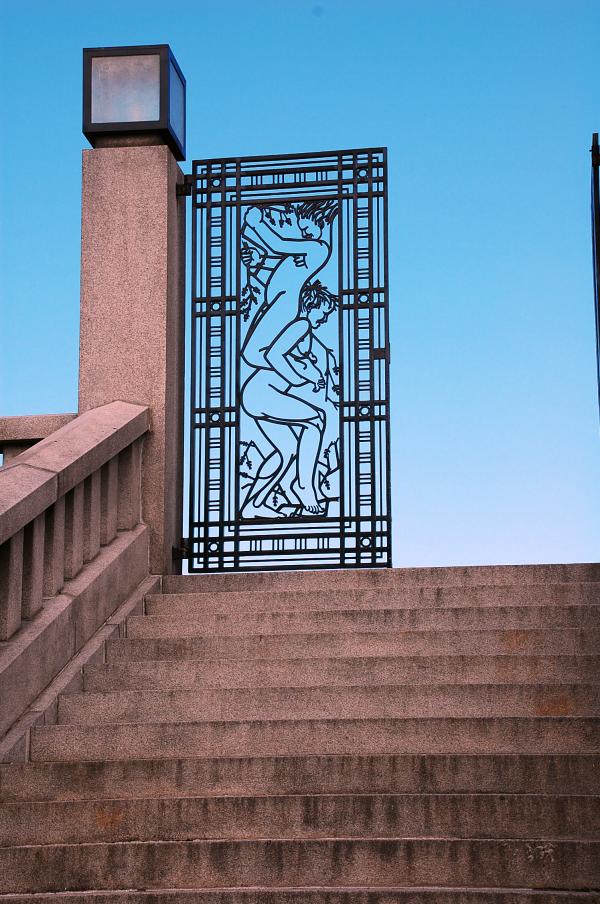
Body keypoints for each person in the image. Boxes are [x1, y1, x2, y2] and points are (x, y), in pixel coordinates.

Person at [239, 201, 339, 517]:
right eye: (323, 315)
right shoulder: (300, 322)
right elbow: (276, 248)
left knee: (285, 451)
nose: (301, 230)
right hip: (261, 390)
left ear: (319, 223)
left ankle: (254, 505)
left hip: (257, 392)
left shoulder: (318, 249)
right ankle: (303, 487)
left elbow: (278, 245)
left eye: (304, 224)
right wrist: (301, 376)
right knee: (315, 422)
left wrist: (255, 226)